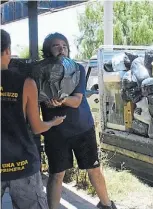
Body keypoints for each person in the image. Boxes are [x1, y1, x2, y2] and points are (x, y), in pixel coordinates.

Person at [39, 33, 117, 209]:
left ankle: (107, 205)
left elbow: (76, 101)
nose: (61, 49)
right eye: (56, 46)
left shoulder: (77, 69)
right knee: (57, 174)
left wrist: (61, 99)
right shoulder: (40, 73)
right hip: (55, 132)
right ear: (47, 51)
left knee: (94, 170)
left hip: (83, 129)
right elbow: (38, 100)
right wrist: (47, 102)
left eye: (64, 46)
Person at [1, 29, 65, 209]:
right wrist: (53, 122)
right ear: (7, 51)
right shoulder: (26, 83)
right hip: (22, 164)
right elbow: (36, 127)